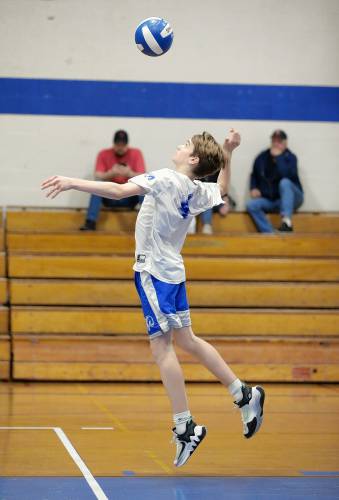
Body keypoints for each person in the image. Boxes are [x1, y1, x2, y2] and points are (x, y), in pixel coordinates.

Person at [41, 128, 265, 468]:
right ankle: (242, 393)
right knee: (187, 340)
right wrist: (229, 152)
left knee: (162, 348)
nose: (178, 146)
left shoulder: (164, 178)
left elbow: (118, 190)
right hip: (173, 270)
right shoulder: (195, 189)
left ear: (192, 159)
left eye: (185, 145)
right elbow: (221, 188)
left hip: (153, 271)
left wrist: (73, 181)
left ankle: (185, 425)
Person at [80, 130, 146, 231]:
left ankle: (148, 224)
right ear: (113, 143)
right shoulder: (103, 153)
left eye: (123, 145)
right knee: (97, 186)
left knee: (143, 188)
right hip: (110, 196)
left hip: (129, 197)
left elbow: (144, 176)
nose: (120, 147)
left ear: (127, 144)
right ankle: (90, 222)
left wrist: (129, 174)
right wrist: (111, 173)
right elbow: (97, 175)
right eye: (118, 144)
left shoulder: (136, 153)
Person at [246, 130, 304, 233]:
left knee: (285, 182)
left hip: (292, 199)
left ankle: (286, 222)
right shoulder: (262, 157)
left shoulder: (290, 157)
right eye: (274, 140)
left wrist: (279, 157)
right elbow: (254, 175)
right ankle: (270, 233)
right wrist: (253, 187)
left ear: (285, 143)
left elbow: (288, 175)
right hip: (271, 200)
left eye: (279, 141)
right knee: (251, 205)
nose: (276, 144)